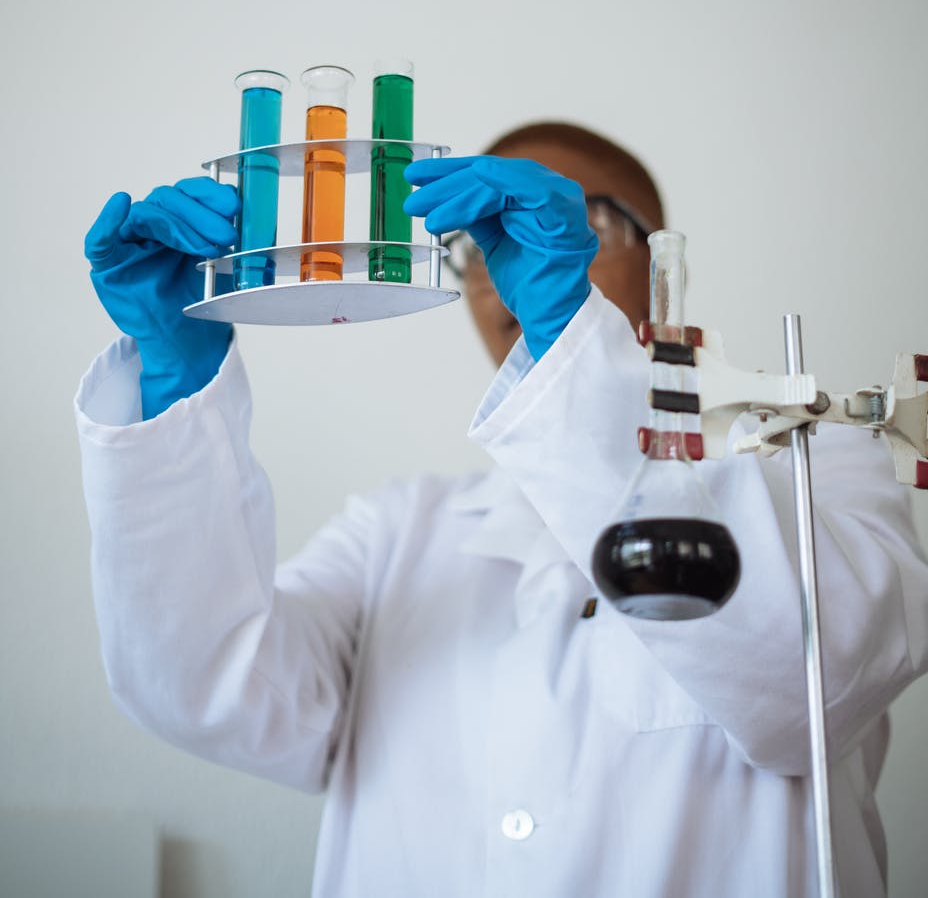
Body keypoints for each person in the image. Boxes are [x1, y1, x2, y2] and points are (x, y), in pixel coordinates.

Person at [75, 120, 928, 898]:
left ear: (665, 257)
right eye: (479, 245)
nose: (501, 268)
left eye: (575, 222)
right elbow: (213, 689)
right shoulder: (398, 531)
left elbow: (804, 699)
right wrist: (172, 386)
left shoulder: (822, 469)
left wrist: (574, 337)